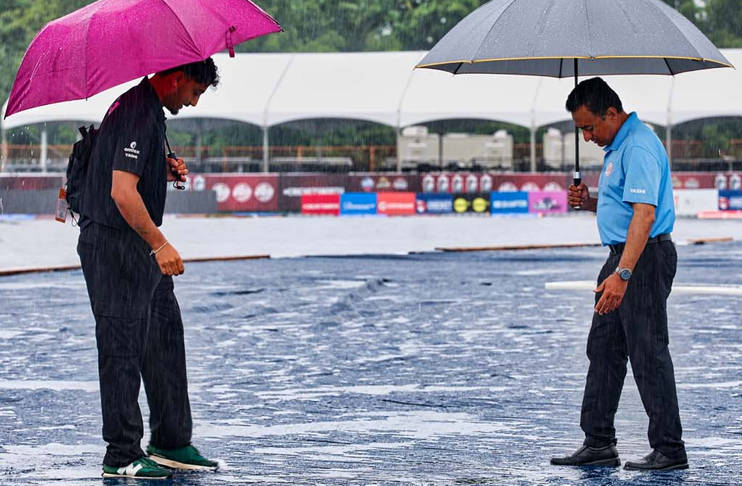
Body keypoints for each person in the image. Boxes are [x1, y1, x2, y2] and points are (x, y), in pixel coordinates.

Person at [77, 59, 220, 480]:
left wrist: (161, 166)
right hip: (114, 247)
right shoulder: (139, 110)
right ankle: (121, 454)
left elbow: (125, 171)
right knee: (122, 347)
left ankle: (171, 441)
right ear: (176, 78)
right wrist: (160, 243)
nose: (192, 102)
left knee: (163, 340)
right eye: (193, 92)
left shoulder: (148, 110)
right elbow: (122, 193)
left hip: (135, 247)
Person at [550, 77, 687, 471]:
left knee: (648, 353)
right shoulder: (618, 147)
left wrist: (623, 273)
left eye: (590, 127)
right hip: (623, 258)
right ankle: (598, 442)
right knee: (604, 350)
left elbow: (645, 216)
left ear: (612, 113)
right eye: (581, 130)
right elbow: (627, 210)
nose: (587, 136)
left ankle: (670, 449)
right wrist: (590, 202)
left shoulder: (639, 146)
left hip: (641, 260)